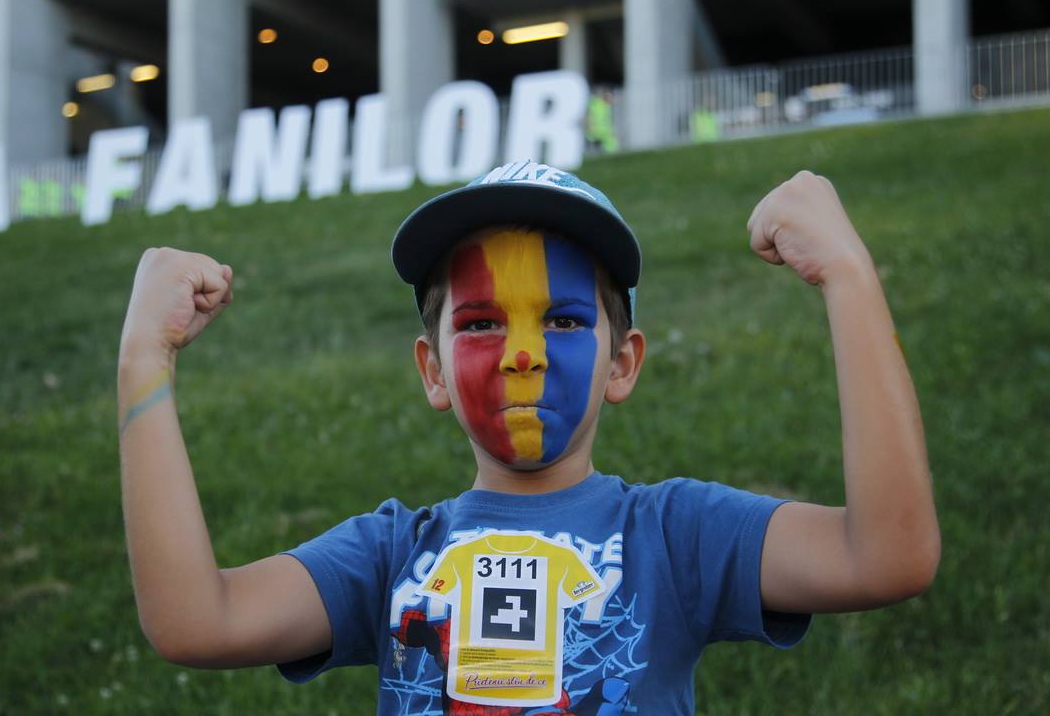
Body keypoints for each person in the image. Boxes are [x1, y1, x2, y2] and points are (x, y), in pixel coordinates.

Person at [117, 161, 940, 714]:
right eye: (479, 323)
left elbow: (889, 555)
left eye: (564, 320)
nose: (521, 352)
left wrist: (847, 275)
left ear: (622, 363)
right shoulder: (386, 555)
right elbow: (197, 621)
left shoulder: (675, 538)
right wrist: (143, 359)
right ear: (431, 372)